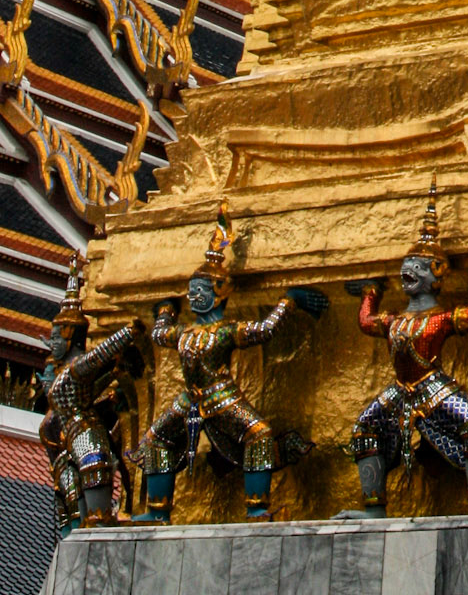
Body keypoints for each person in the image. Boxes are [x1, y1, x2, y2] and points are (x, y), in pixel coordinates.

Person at [347, 177, 468, 514]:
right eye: (406, 267)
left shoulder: (442, 319)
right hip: (399, 390)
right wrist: (369, 292)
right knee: (364, 427)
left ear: (436, 275)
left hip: (434, 387)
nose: (408, 271)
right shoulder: (394, 321)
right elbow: (366, 322)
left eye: (418, 267)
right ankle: (373, 507)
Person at [137, 206, 325, 522]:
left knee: (260, 433)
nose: (194, 297)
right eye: (191, 292)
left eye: (200, 291)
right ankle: (157, 510)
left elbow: (265, 330)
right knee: (154, 440)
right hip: (190, 398)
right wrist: (165, 311)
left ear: (220, 293)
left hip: (223, 397)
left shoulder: (227, 330)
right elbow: (159, 335)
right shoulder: (184, 333)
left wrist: (288, 301)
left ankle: (256, 507)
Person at [38, 255, 144, 534]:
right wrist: (114, 373)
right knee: (79, 527)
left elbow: (99, 355)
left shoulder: (77, 367)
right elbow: (86, 392)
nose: (53, 343)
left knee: (94, 524)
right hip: (74, 439)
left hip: (87, 438)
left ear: (70, 334)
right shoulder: (66, 375)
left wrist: (129, 332)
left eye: (57, 337)